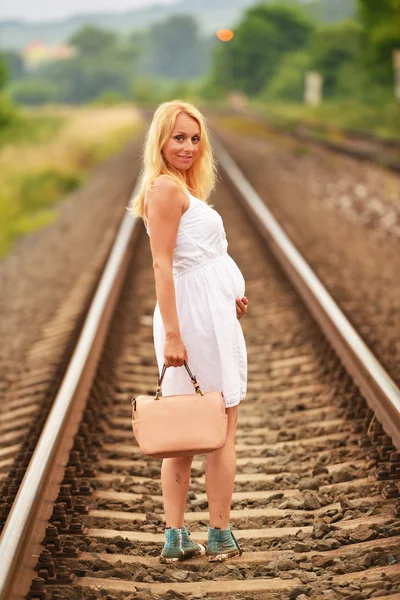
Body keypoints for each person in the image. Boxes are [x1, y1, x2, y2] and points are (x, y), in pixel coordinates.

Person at [129, 100, 248, 563]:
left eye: (195, 139)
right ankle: (195, 534)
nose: (188, 147)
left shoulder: (180, 188)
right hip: (192, 321)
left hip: (212, 315)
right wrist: (174, 335)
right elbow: (162, 265)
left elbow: (201, 258)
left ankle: (201, 534)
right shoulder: (163, 189)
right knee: (199, 428)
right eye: (179, 137)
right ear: (160, 140)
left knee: (212, 426)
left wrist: (230, 294)